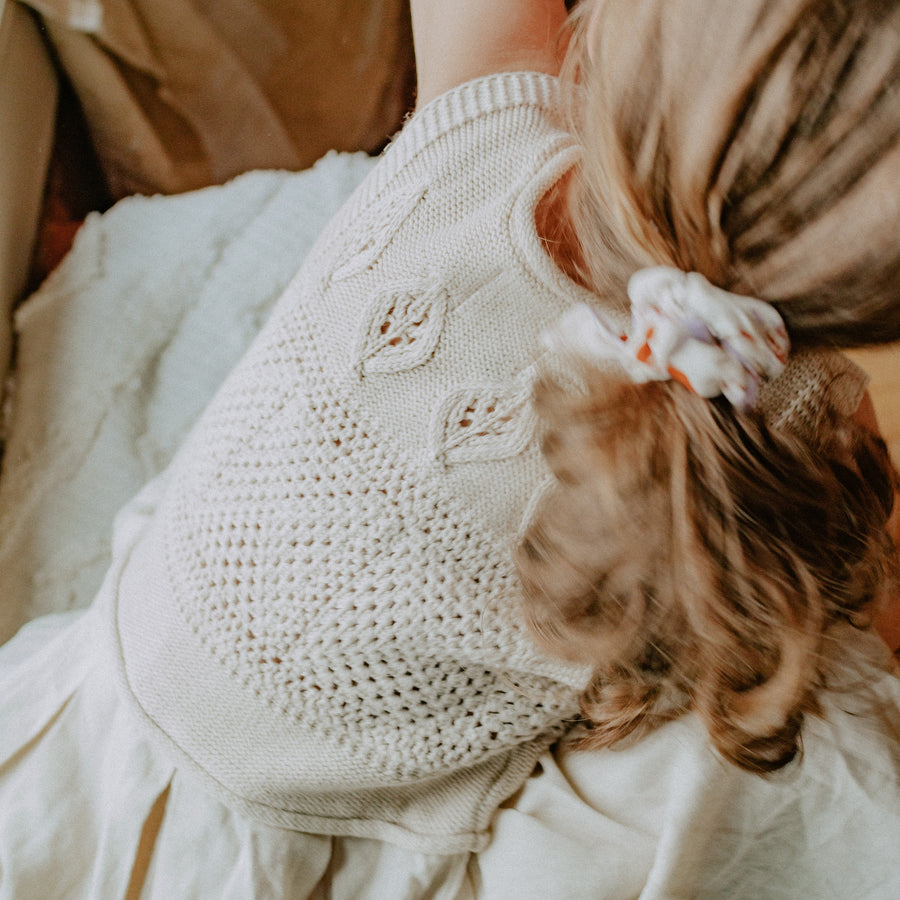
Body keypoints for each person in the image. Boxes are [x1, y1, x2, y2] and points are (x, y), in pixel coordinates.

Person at [0, 0, 898, 896]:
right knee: (810, 730)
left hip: (93, 752)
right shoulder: (785, 435)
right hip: (303, 836)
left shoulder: (482, 139)